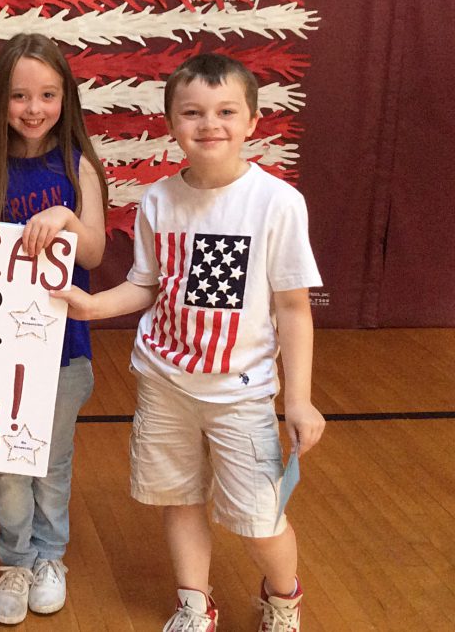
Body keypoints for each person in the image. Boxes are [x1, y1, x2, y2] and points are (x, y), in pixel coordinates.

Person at [53, 53, 325, 632]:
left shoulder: (277, 203)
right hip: (164, 383)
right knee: (178, 498)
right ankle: (194, 604)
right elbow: (147, 285)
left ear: (253, 120)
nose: (210, 125)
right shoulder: (158, 201)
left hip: (241, 394)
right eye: (193, 113)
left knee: (258, 518)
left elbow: (293, 309)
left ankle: (282, 599)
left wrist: (297, 400)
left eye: (227, 111)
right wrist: (95, 305)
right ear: (172, 123)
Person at [0, 33, 109, 625]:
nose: (34, 108)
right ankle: (14, 560)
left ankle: (51, 557)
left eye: (47, 94)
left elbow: (94, 253)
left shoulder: (78, 167)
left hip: (64, 351)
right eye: (19, 95)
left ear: (66, 97)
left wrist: (69, 217)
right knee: (6, 468)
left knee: (52, 463)